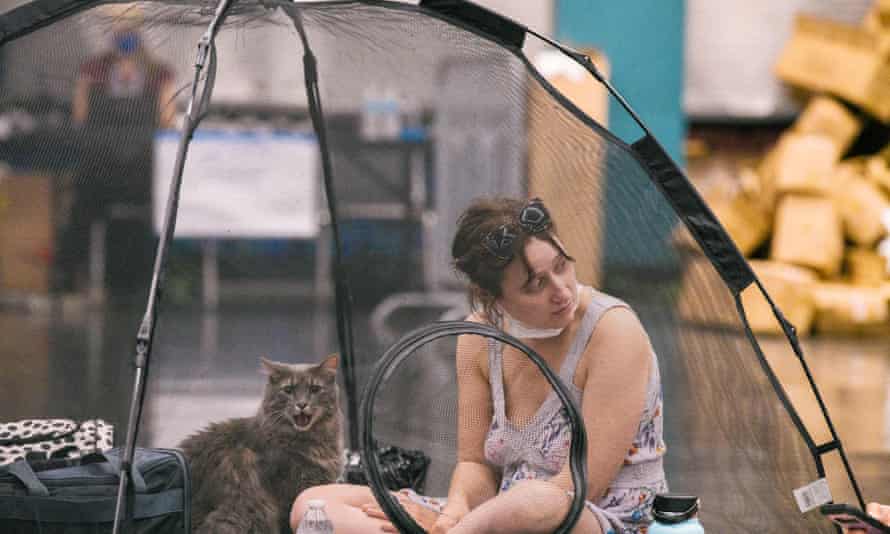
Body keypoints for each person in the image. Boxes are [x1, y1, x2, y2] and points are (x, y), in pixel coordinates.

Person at [291, 197, 668, 533]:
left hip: (595, 517)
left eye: (562, 265)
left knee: (532, 500)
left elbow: (581, 486)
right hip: (492, 521)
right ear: (493, 299)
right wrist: (454, 511)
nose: (561, 290)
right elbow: (475, 463)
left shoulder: (613, 331)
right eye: (535, 284)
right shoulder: (478, 338)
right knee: (313, 504)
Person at [57, 12, 175, 295]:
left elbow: (167, 118)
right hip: (103, 169)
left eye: (129, 29)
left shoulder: (158, 72)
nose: (124, 36)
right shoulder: (93, 70)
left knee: (150, 213)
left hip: (138, 171)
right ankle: (74, 280)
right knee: (82, 210)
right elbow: (81, 114)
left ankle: (144, 282)